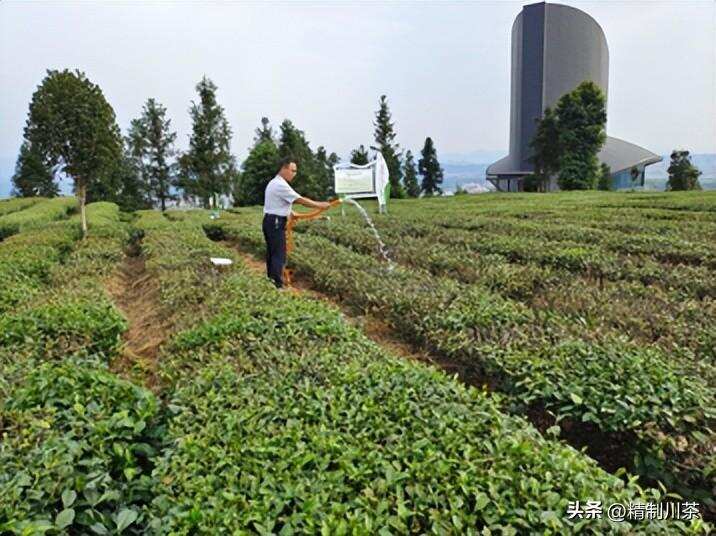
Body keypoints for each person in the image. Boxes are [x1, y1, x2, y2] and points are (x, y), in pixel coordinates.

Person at [263, 157, 330, 288]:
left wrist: (292, 214)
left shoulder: (275, 183)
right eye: (292, 170)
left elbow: (278, 204)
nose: (294, 174)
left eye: (295, 171)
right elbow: (299, 199)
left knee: (272, 253)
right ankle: (278, 285)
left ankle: (271, 282)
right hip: (275, 222)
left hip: (271, 220)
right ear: (284, 168)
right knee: (278, 255)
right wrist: (319, 205)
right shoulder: (280, 184)